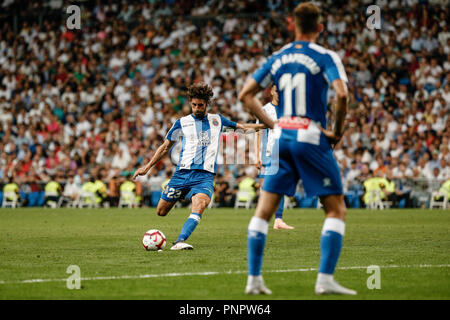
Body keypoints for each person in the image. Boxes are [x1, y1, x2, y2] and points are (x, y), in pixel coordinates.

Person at [238, 2, 356, 295]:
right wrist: (337, 132)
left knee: (263, 210)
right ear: (320, 27)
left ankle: (254, 280)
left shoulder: (277, 58)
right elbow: (341, 95)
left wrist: (274, 125)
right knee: (336, 209)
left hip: (284, 138)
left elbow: (245, 94)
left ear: (292, 24)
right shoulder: (325, 55)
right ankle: (325, 279)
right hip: (311, 136)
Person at [133, 82, 265, 250]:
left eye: (200, 105)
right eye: (194, 105)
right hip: (182, 174)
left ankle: (180, 241)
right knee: (161, 211)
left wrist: (266, 125)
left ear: (207, 104)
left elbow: (243, 128)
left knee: (200, 205)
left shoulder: (217, 120)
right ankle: (182, 194)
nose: (196, 108)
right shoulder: (182, 122)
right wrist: (147, 167)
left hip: (204, 176)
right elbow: (165, 147)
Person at [255, 84, 294, 230]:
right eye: (277, 90)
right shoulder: (265, 110)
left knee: (280, 185)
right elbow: (258, 133)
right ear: (271, 91)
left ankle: (278, 220)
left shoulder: (289, 110)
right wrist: (256, 155)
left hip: (283, 153)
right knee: (265, 187)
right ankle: (263, 219)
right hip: (267, 153)